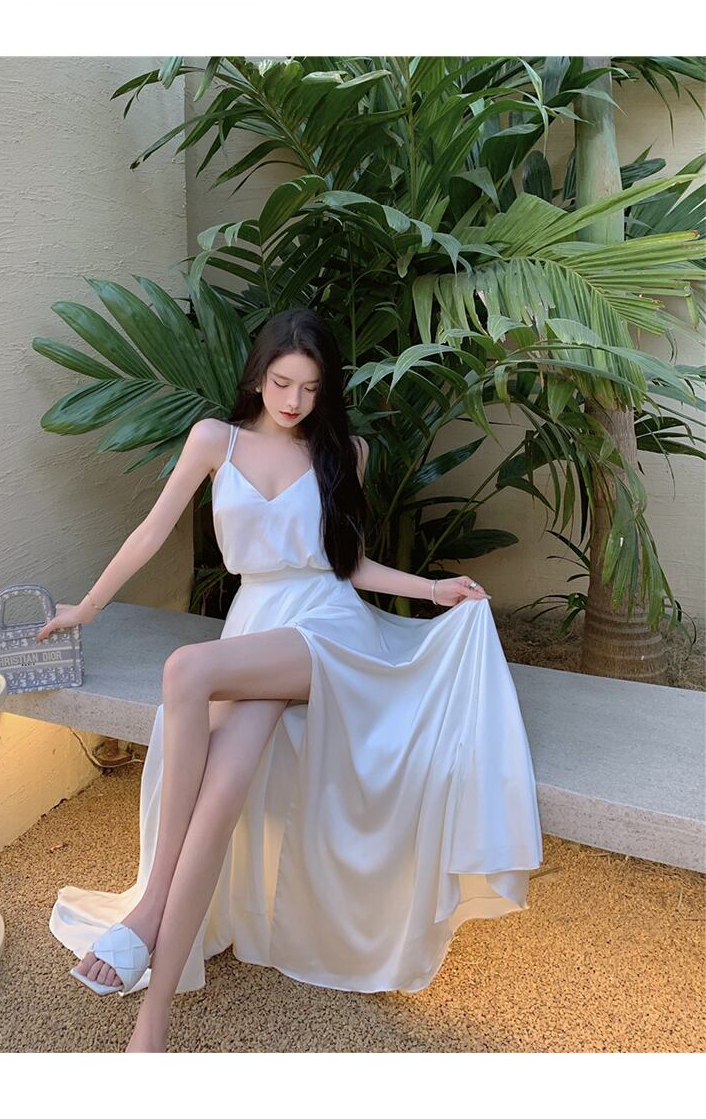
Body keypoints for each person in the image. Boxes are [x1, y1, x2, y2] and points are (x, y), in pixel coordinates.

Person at [38, 306, 542, 1051]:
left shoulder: (346, 451)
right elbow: (151, 530)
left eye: (310, 388)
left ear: (325, 387)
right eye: (281, 383)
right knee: (219, 798)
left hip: (327, 628)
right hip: (256, 628)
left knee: (185, 667)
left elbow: (347, 563)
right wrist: (87, 606)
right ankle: (153, 1023)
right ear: (258, 375)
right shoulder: (214, 440)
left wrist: (433, 589)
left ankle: (148, 911)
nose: (294, 401)